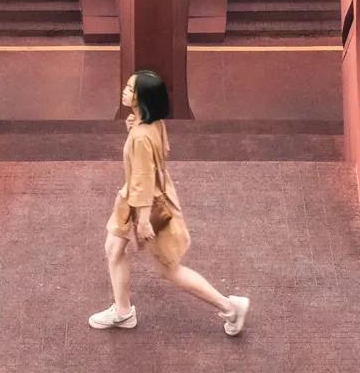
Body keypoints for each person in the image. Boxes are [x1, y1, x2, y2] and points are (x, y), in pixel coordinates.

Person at [88, 69, 250, 336]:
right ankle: (123, 311)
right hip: (140, 197)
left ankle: (229, 306)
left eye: (131, 88)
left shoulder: (141, 136)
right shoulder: (152, 124)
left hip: (143, 204)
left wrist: (141, 220)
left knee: (169, 269)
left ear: (142, 98)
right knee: (113, 248)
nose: (125, 91)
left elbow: (142, 178)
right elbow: (159, 154)